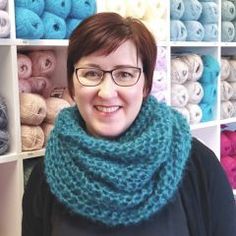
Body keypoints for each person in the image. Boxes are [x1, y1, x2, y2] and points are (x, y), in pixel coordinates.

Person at [22, 12, 236, 236]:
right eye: (92, 73)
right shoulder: (46, 177)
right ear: (72, 85)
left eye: (124, 74)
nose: (106, 92)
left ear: (145, 85)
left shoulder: (198, 166)